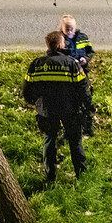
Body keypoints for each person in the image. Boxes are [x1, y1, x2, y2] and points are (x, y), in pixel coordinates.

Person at [23, 31, 91, 182]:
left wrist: (36, 103)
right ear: (61, 44)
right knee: (75, 141)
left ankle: (50, 176)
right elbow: (83, 87)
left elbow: (27, 90)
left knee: (49, 140)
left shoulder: (37, 64)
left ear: (48, 45)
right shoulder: (71, 63)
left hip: (47, 110)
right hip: (70, 109)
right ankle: (82, 175)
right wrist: (86, 105)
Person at [59, 15, 96, 136]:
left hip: (82, 73)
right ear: (62, 28)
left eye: (71, 28)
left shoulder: (83, 37)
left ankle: (88, 128)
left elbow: (90, 51)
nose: (69, 31)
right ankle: (69, 130)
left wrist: (85, 59)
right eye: (67, 29)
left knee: (86, 99)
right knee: (69, 103)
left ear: (75, 27)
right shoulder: (60, 39)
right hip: (68, 76)